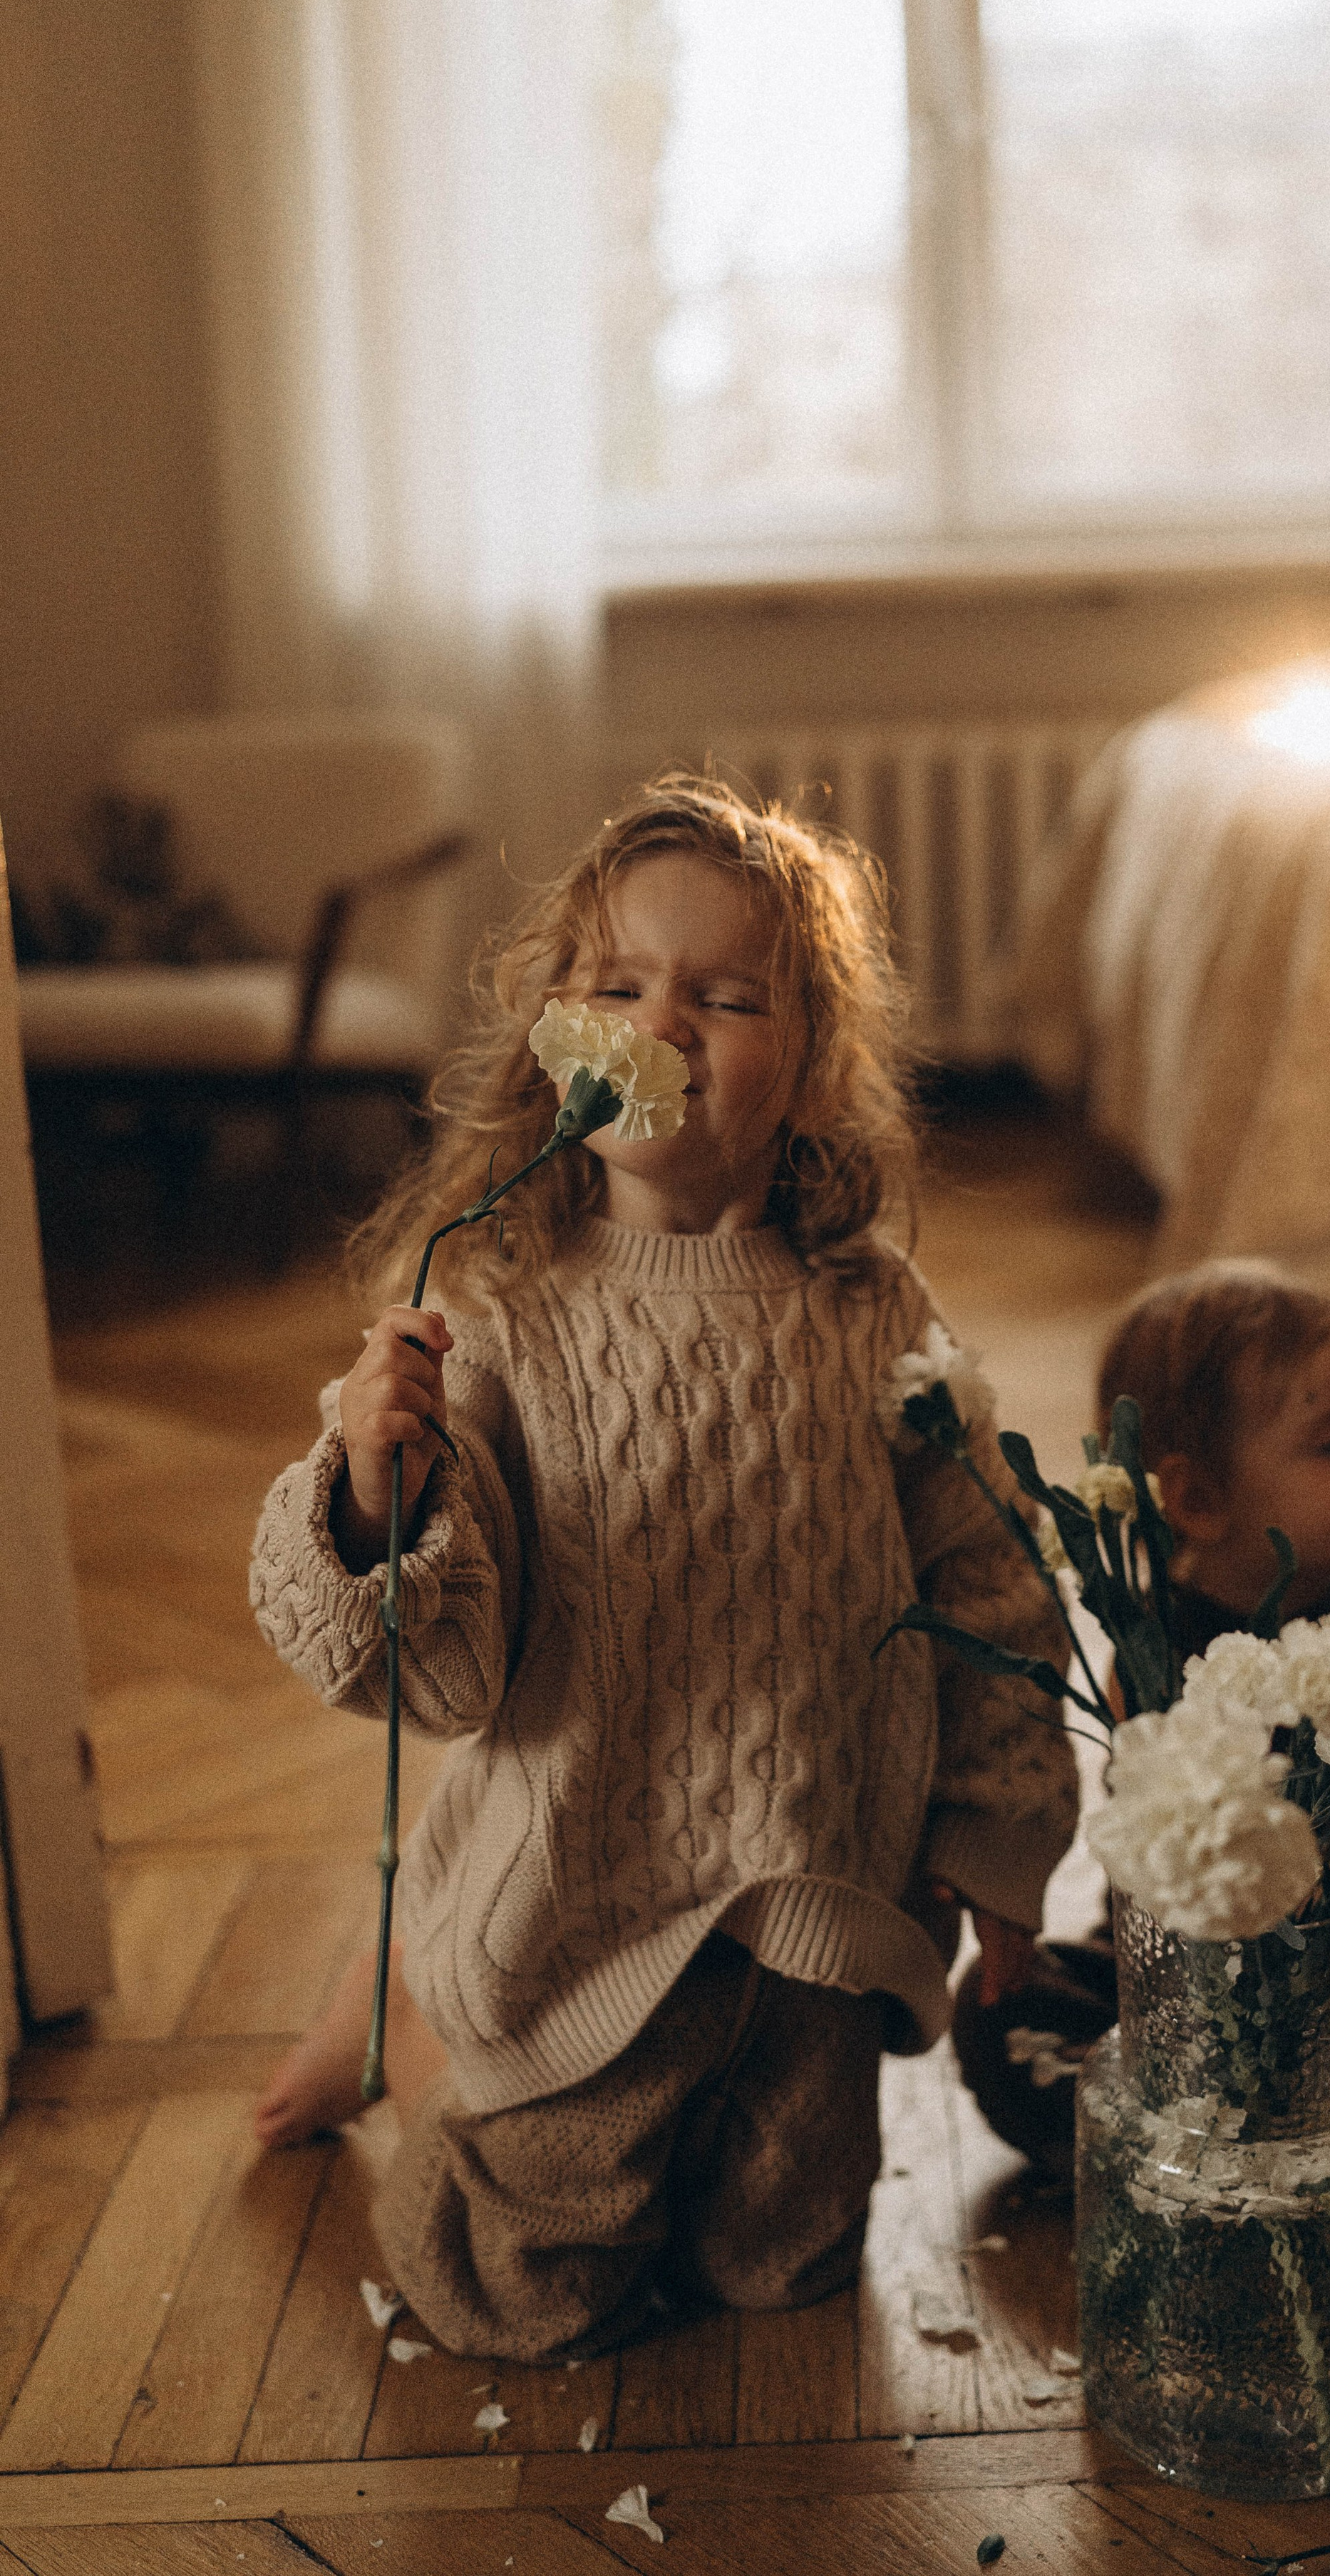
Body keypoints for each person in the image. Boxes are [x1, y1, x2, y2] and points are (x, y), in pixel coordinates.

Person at [247, 777, 1076, 2361]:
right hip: (586, 1891)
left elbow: (986, 1576)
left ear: (811, 1060)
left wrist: (998, 1850)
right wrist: (379, 1482)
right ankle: (403, 2010)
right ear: (557, 1030)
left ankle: (633, 2095)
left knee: (780, 2264)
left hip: (810, 1890)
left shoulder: (868, 1304)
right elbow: (444, 1661)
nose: (665, 1021)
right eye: (618, 985)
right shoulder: (502, 1307)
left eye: (725, 994)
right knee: (520, 2298)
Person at [955, 1258, 1330, 2173]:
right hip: (1175, 1993)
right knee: (998, 2012)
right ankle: (1182, 2172)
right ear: (1198, 1500)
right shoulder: (1151, 1658)